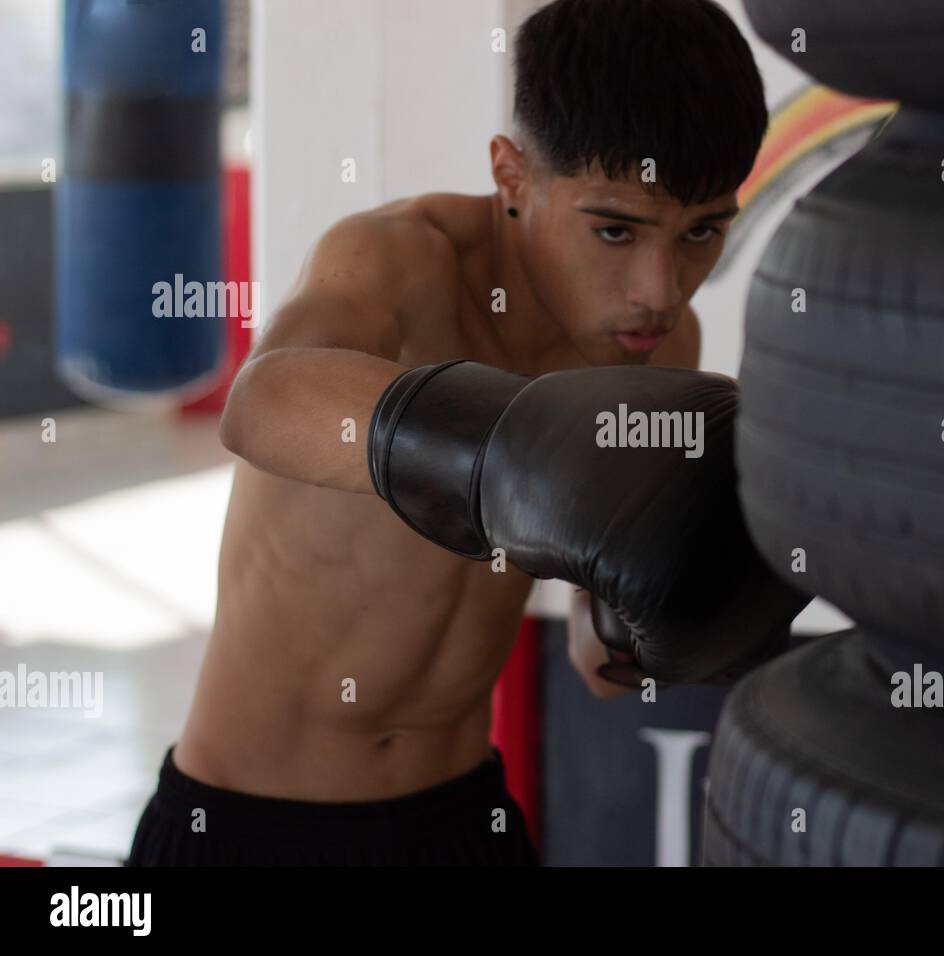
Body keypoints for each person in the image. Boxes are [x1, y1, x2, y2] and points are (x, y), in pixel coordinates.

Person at [127, 0, 769, 866]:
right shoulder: (396, 260)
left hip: (463, 819)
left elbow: (590, 647)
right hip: (252, 825)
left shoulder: (655, 351)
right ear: (511, 175)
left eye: (702, 232)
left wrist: (645, 635)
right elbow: (263, 402)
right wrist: (512, 451)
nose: (660, 289)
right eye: (614, 229)